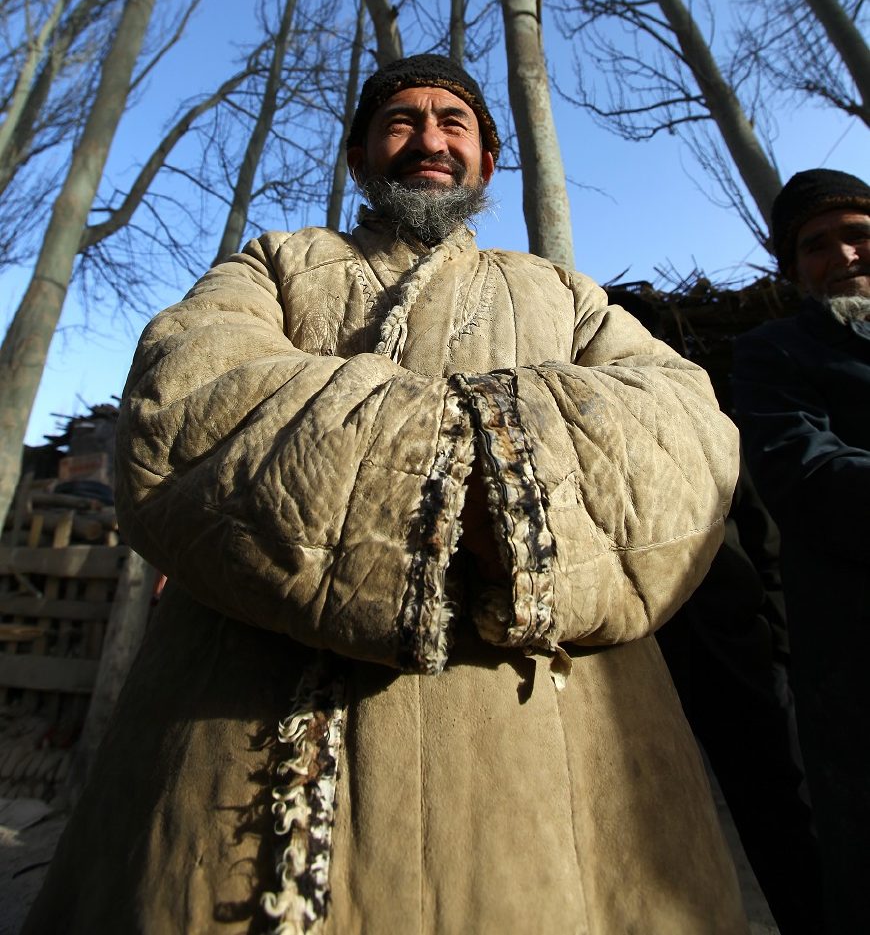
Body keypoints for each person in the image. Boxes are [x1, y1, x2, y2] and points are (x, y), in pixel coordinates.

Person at [26, 54, 746, 934]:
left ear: (486, 161)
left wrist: (493, 506)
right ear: (359, 156)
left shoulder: (565, 294)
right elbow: (186, 397)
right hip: (238, 733)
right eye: (401, 121)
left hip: (547, 775)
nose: (429, 140)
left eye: (454, 123)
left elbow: (682, 430)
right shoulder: (277, 263)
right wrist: (461, 479)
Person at [732, 167, 870, 934]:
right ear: (794, 272)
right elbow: (806, 467)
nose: (844, 254)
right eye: (817, 246)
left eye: (858, 233)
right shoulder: (774, 353)